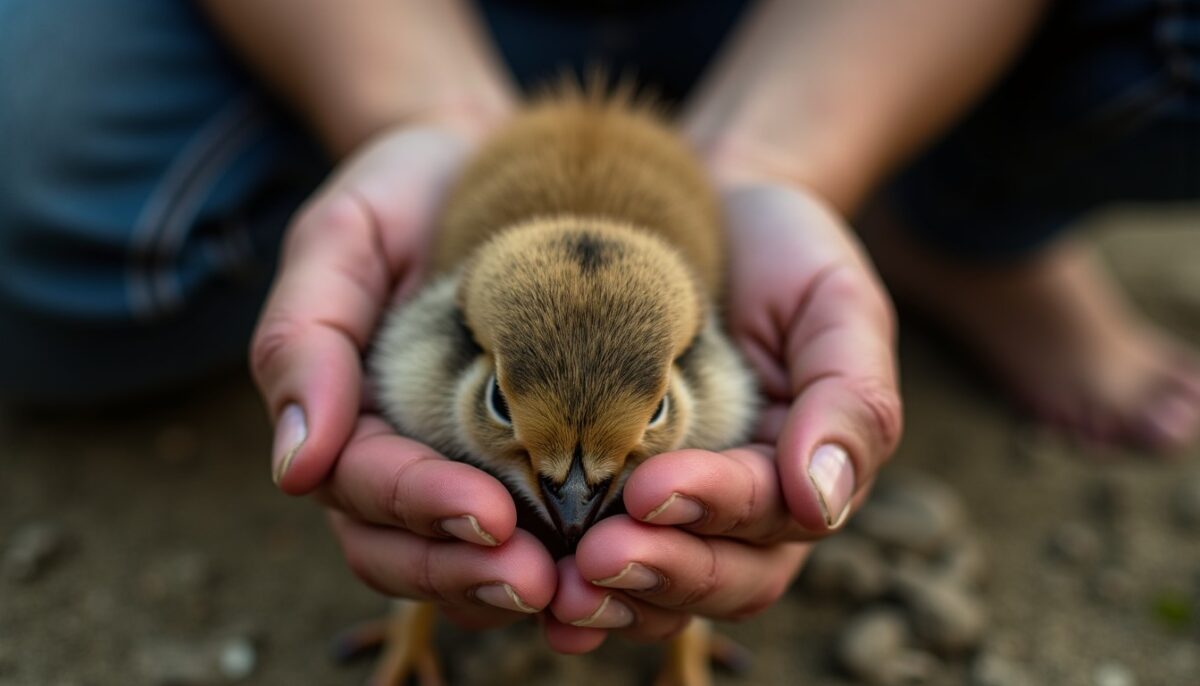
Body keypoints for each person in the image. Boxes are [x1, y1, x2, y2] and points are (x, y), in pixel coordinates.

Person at [0, 0, 1196, 652]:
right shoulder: (448, 345)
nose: (571, 491)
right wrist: (416, 109)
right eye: (517, 422)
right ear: (470, 352)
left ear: (691, 362)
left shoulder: (679, 353)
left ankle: (952, 211)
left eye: (648, 421)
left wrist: (785, 158)